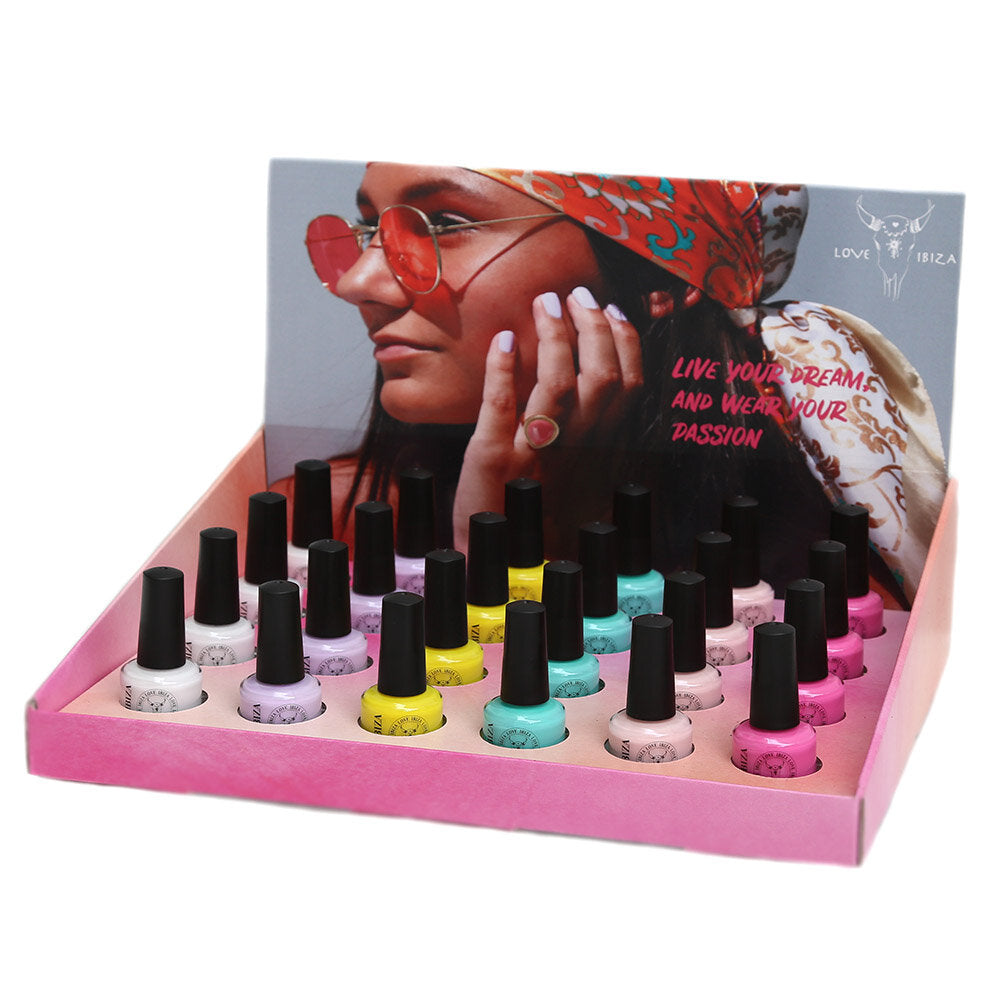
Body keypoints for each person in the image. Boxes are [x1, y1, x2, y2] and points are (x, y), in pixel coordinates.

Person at [299, 162, 947, 606]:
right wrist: (496, 550)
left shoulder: (826, 562)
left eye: (442, 224)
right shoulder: (327, 533)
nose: (358, 283)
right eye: (369, 229)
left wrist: (563, 549)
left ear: (660, 278)